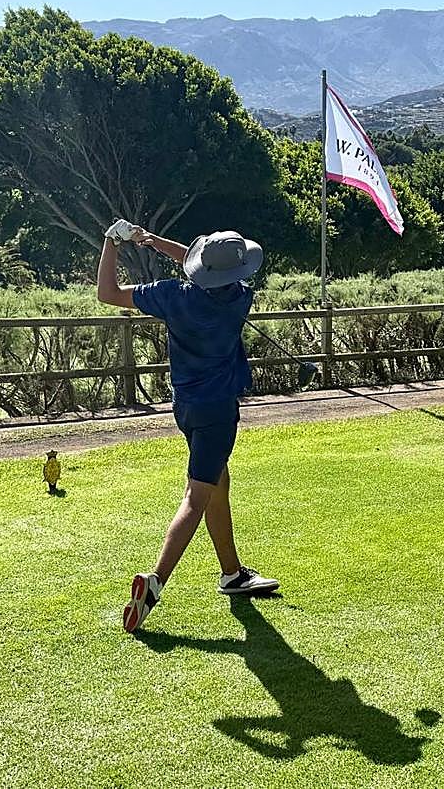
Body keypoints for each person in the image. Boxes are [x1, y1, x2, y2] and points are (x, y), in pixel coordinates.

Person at [95, 220, 279, 634]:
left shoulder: (170, 296)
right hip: (218, 412)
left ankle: (232, 574)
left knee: (218, 483)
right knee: (196, 497)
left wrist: (114, 242)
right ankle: (154, 583)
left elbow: (108, 293)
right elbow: (201, 267)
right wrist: (157, 242)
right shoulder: (239, 299)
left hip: (186, 408)